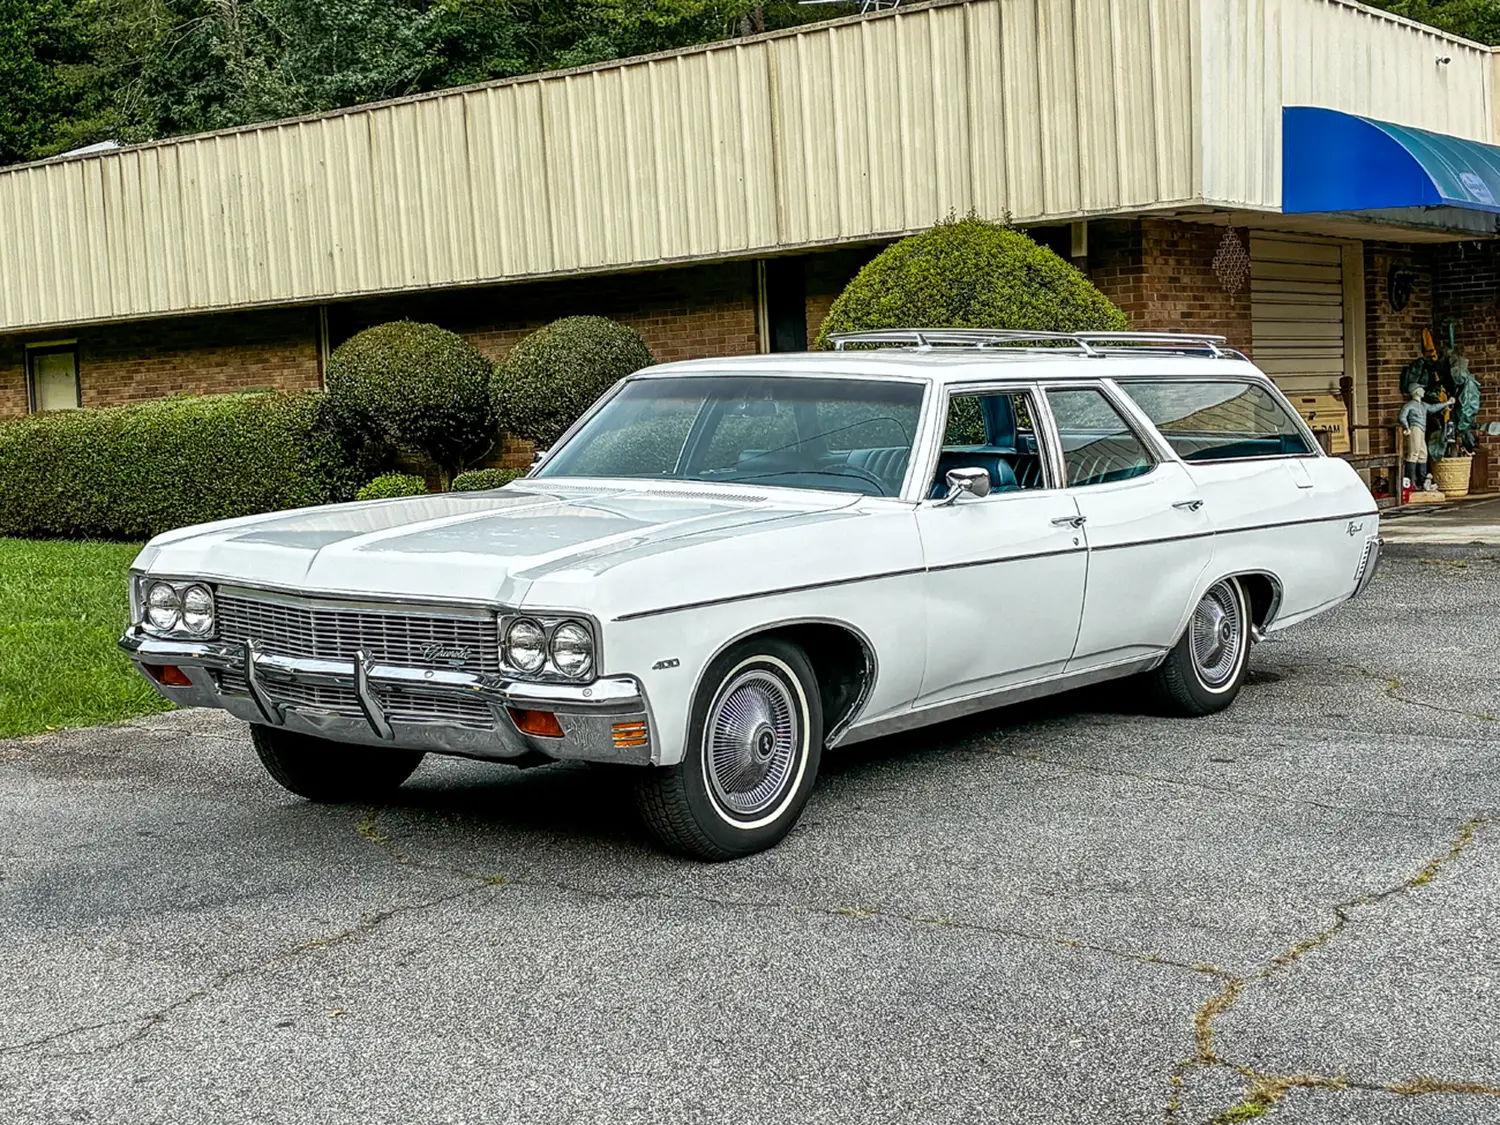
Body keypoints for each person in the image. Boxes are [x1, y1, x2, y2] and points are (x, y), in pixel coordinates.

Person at [1398, 385, 1451, 491]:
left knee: (1423, 454)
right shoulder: (1410, 405)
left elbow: (1433, 408)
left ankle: (1422, 481)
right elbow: (1402, 416)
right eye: (1421, 390)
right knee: (1413, 453)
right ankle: (1411, 481)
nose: (1423, 391)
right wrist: (1407, 427)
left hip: (1422, 429)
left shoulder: (1423, 405)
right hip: (1415, 428)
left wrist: (1447, 403)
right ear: (1417, 392)